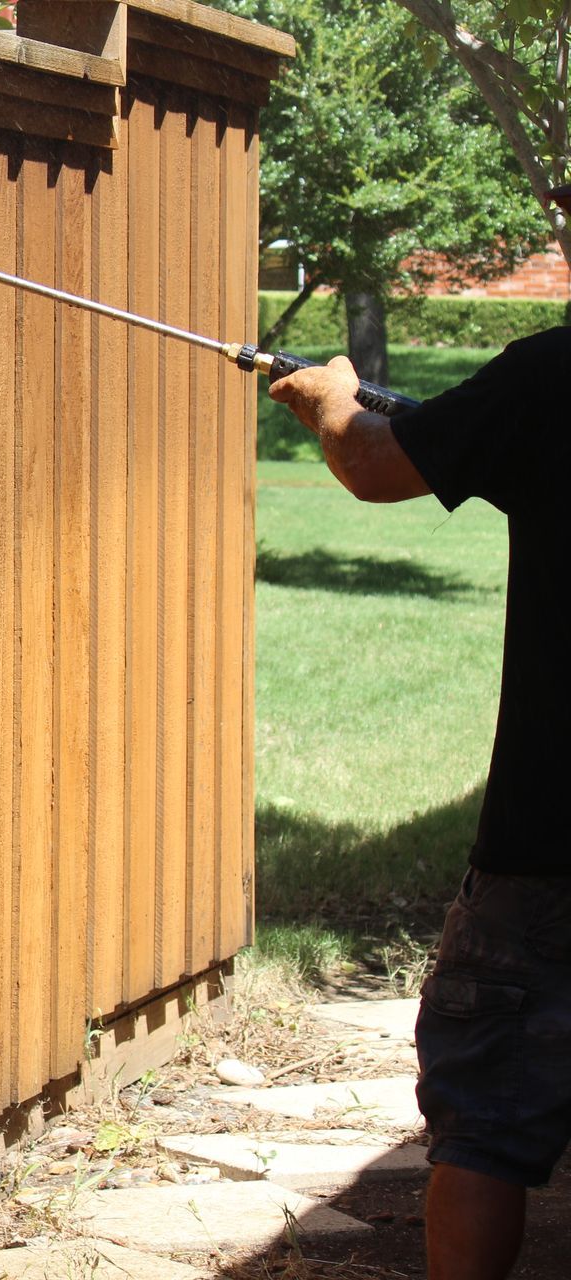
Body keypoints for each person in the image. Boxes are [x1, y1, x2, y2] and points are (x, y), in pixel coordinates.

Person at [268, 183, 571, 1280]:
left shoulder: (552, 376)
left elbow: (372, 461)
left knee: (487, 1112)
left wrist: (331, 395)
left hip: (549, 843)